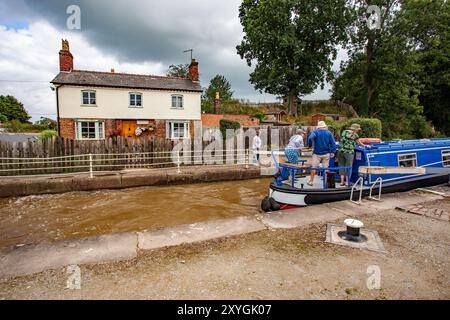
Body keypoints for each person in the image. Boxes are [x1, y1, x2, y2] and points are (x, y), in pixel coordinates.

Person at [307, 121, 337, 186]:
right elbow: (333, 143)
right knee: (326, 168)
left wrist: (309, 146)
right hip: (326, 153)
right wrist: (332, 151)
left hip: (317, 153)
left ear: (318, 127)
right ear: (324, 126)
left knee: (314, 167)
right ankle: (326, 182)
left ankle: (311, 181)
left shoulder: (315, 132)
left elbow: (310, 138)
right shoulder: (329, 133)